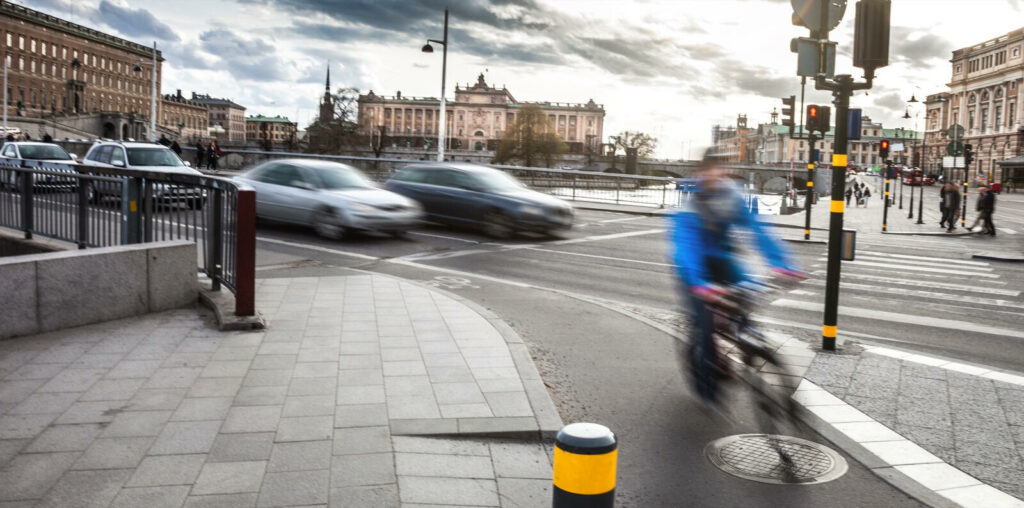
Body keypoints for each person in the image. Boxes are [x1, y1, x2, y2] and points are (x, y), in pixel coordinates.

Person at [669, 152, 803, 407]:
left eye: (718, 169)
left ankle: (749, 342)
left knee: (744, 303)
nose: (714, 175)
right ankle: (708, 389)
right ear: (701, 173)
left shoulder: (731, 197)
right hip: (696, 268)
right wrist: (699, 284)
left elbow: (757, 229)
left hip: (723, 260)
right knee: (704, 328)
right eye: (708, 170)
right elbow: (686, 249)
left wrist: (782, 266)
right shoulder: (689, 208)